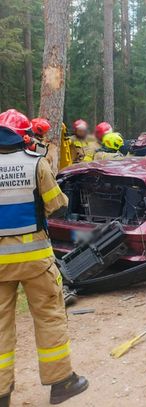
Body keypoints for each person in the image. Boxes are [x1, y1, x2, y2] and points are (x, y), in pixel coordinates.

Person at [0, 109, 88, 406]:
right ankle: (61, 383)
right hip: (36, 261)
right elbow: (57, 206)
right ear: (25, 135)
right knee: (49, 317)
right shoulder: (35, 165)